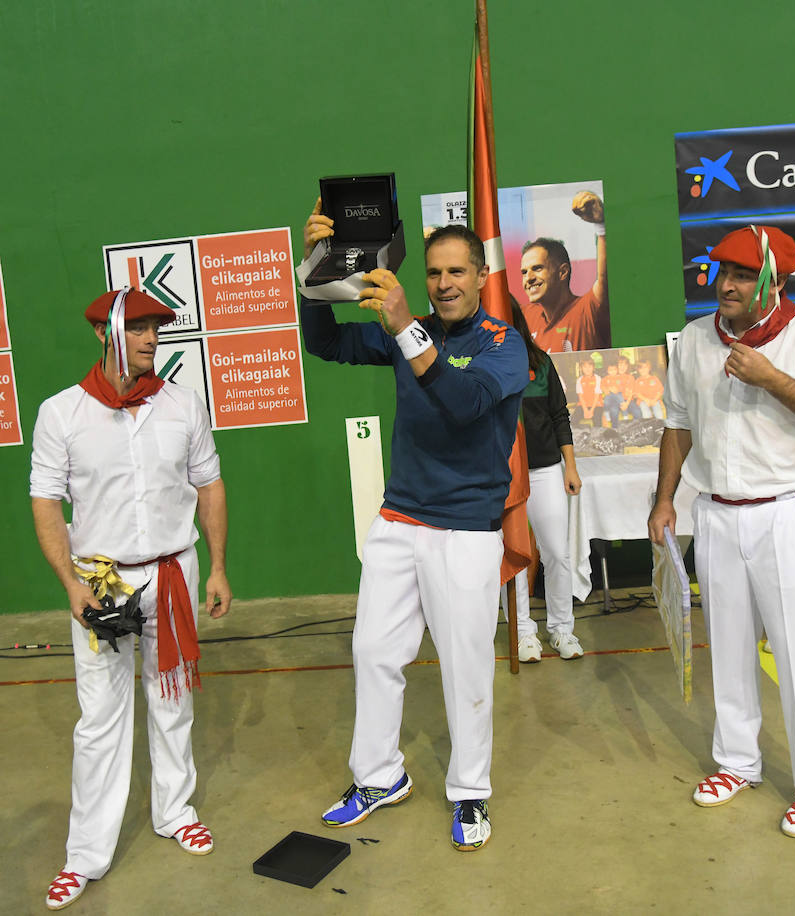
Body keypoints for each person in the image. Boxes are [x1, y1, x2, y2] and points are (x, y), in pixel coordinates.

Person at [300, 199, 527, 852]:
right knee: (373, 652)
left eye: (458, 271)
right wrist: (315, 273)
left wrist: (406, 329)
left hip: (467, 531)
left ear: (482, 277)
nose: (445, 283)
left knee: (464, 670)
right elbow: (325, 342)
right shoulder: (412, 327)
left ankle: (470, 791)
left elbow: (463, 405)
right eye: (434, 272)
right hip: (400, 520)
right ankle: (378, 778)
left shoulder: (503, 346)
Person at [647, 225, 795, 838]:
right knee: (727, 648)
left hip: (787, 515)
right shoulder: (695, 339)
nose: (727, 285)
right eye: (723, 272)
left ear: (775, 280)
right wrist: (664, 500)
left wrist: (772, 377)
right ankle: (737, 762)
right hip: (715, 514)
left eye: (743, 275)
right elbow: (677, 424)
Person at [29, 288, 232, 910]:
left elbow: (210, 485)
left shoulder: (181, 404)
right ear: (103, 334)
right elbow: (45, 503)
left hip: (173, 570)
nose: (151, 339)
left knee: (171, 702)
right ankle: (85, 855)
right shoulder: (61, 413)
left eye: (156, 328)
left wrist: (218, 566)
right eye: (138, 328)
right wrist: (70, 584)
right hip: (100, 580)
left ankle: (175, 812)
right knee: (100, 719)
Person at [504, 299, 584, 663]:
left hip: (547, 470)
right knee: (516, 556)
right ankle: (522, 633)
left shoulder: (541, 363)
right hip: (504, 477)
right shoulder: (484, 364)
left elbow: (559, 417)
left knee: (557, 553)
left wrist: (570, 466)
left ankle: (562, 630)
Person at [521, 191, 610, 352]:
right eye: (524, 272)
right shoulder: (526, 316)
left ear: (562, 272)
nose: (529, 278)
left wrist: (601, 226)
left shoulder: (588, 310)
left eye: (537, 268)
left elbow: (605, 278)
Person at [601, 357, 638, 427]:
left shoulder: (630, 377)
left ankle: (634, 428)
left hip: (628, 401)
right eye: (620, 365)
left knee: (637, 412)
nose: (622, 367)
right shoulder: (611, 376)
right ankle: (615, 429)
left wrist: (626, 404)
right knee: (613, 411)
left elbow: (631, 392)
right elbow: (603, 386)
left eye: (625, 365)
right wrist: (608, 389)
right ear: (617, 366)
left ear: (628, 366)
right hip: (614, 400)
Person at [574, 358, 603, 425]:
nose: (587, 369)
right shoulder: (579, 380)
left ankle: (597, 435)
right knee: (574, 419)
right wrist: (585, 410)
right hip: (583, 404)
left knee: (597, 420)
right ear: (581, 368)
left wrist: (591, 411)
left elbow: (597, 396)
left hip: (596, 404)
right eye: (585, 367)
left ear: (593, 367)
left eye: (590, 366)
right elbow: (580, 396)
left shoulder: (598, 378)